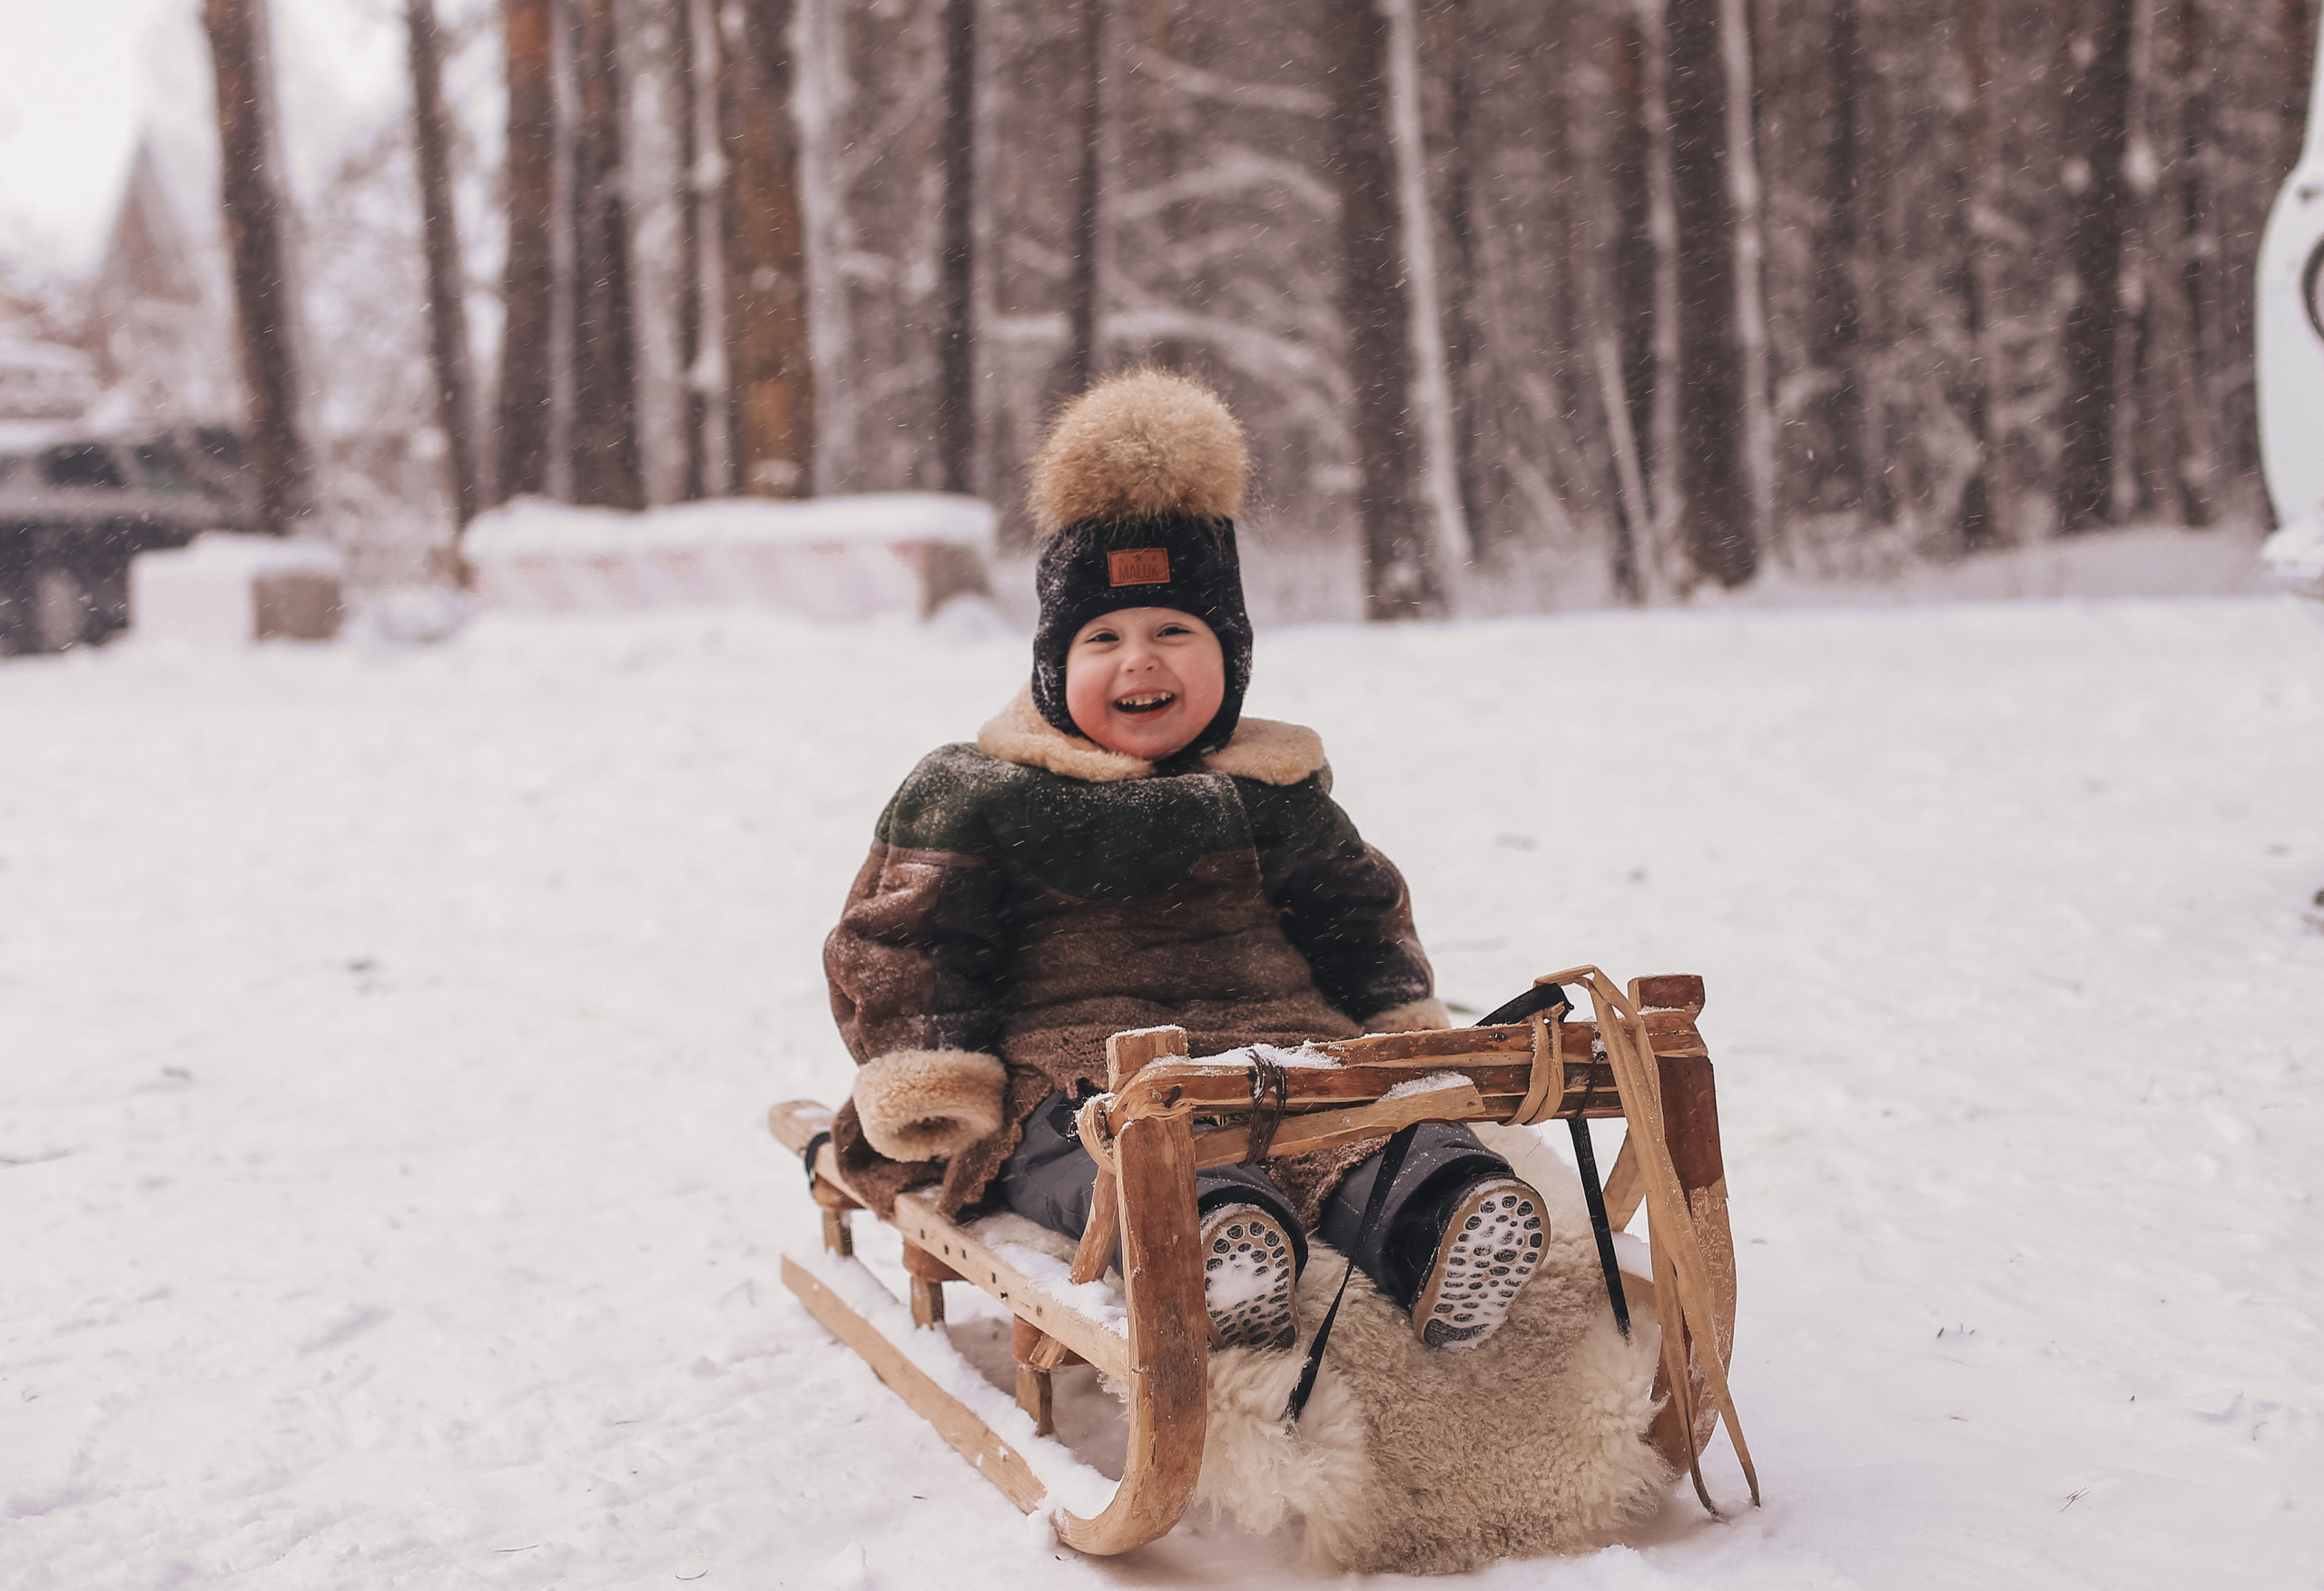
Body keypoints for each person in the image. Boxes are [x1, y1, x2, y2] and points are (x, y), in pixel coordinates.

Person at [823, 368, 1546, 1351]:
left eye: (1174, 632)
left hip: (1283, 1036)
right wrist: (933, 1071)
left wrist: (1391, 1027)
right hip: (1076, 1057)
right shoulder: (984, 790)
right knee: (1122, 1151)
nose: (1139, 660)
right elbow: (904, 937)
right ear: (1053, 668)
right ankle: (1210, 1240)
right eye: (1103, 639)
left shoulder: (1273, 790)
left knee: (1375, 1124)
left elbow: (1353, 915)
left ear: (1231, 660)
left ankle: (1445, 1220)